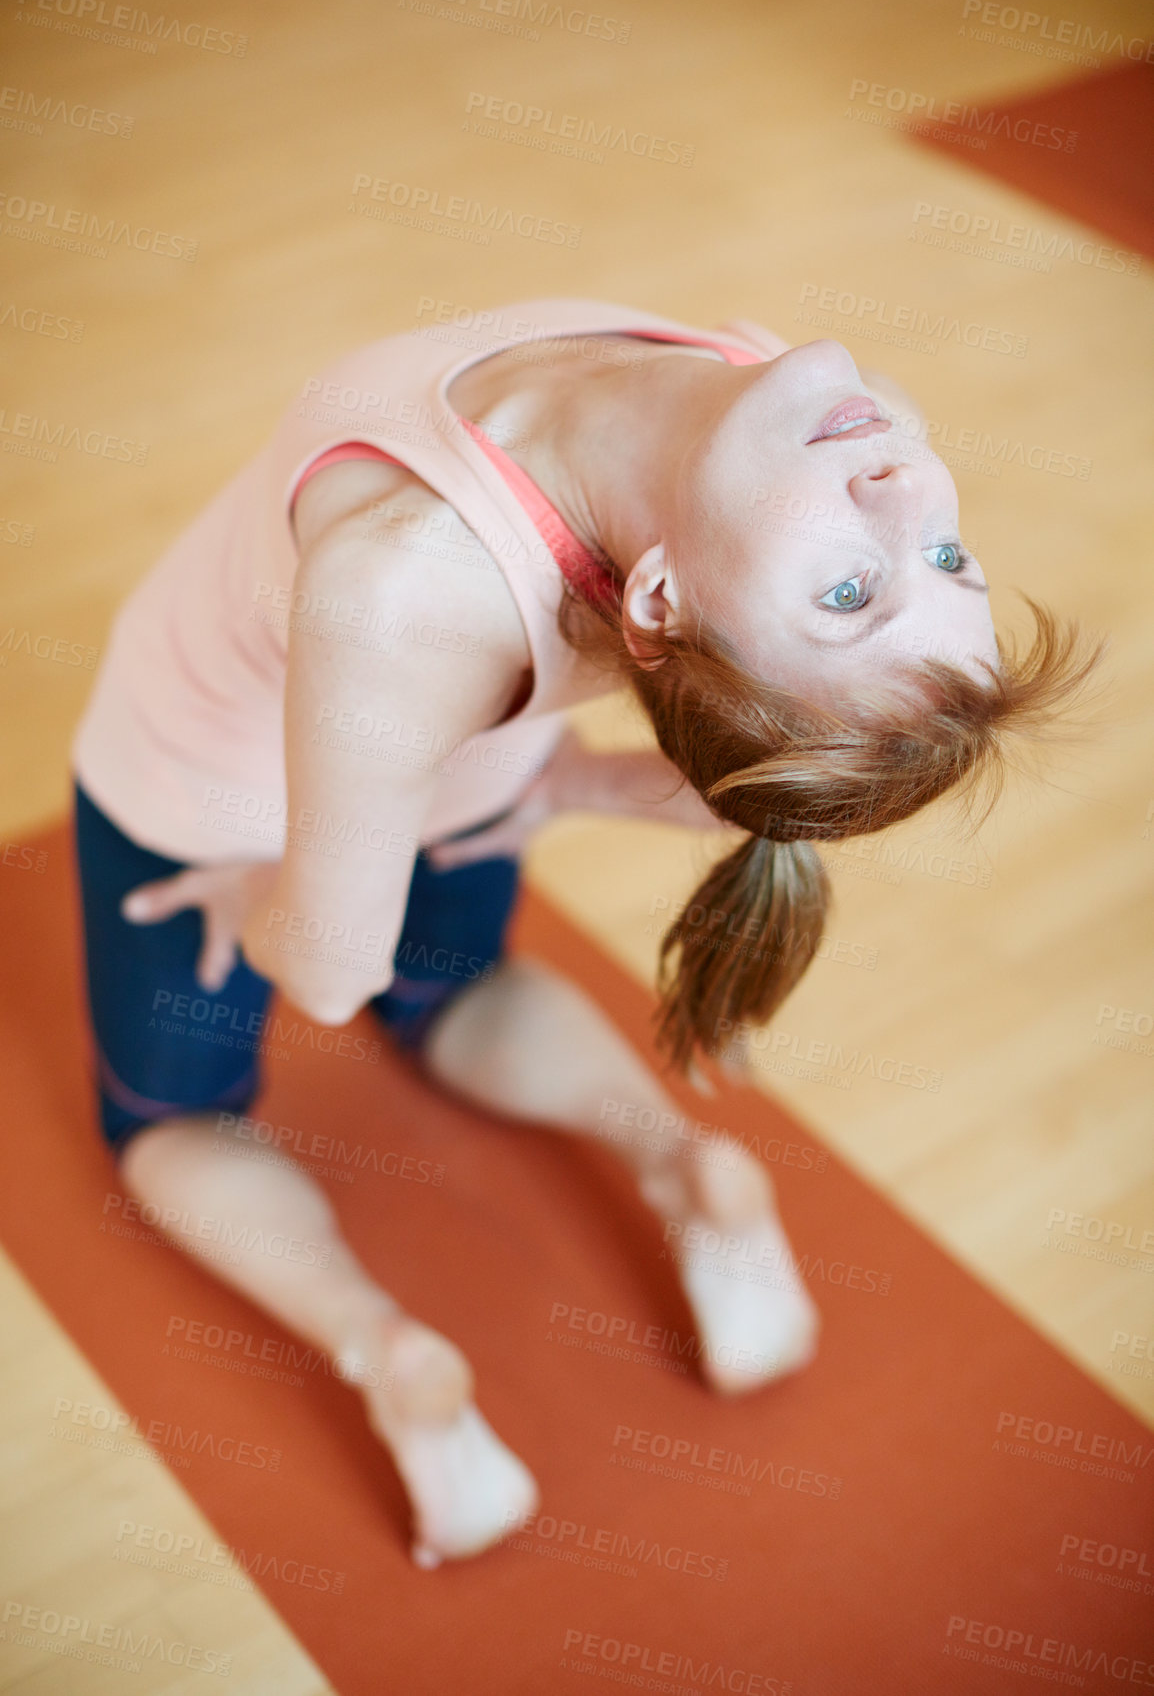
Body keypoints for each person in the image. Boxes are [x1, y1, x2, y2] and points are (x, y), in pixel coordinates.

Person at [70, 297, 1095, 1568]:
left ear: (654, 605)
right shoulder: (807, 417)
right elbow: (771, 754)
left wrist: (247, 881)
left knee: (169, 1123)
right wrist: (556, 785)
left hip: (211, 791)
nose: (903, 496)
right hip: (444, 754)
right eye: (949, 566)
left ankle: (383, 1346)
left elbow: (327, 970)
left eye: (848, 593)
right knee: (458, 989)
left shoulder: (420, 578)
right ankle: (680, 1165)